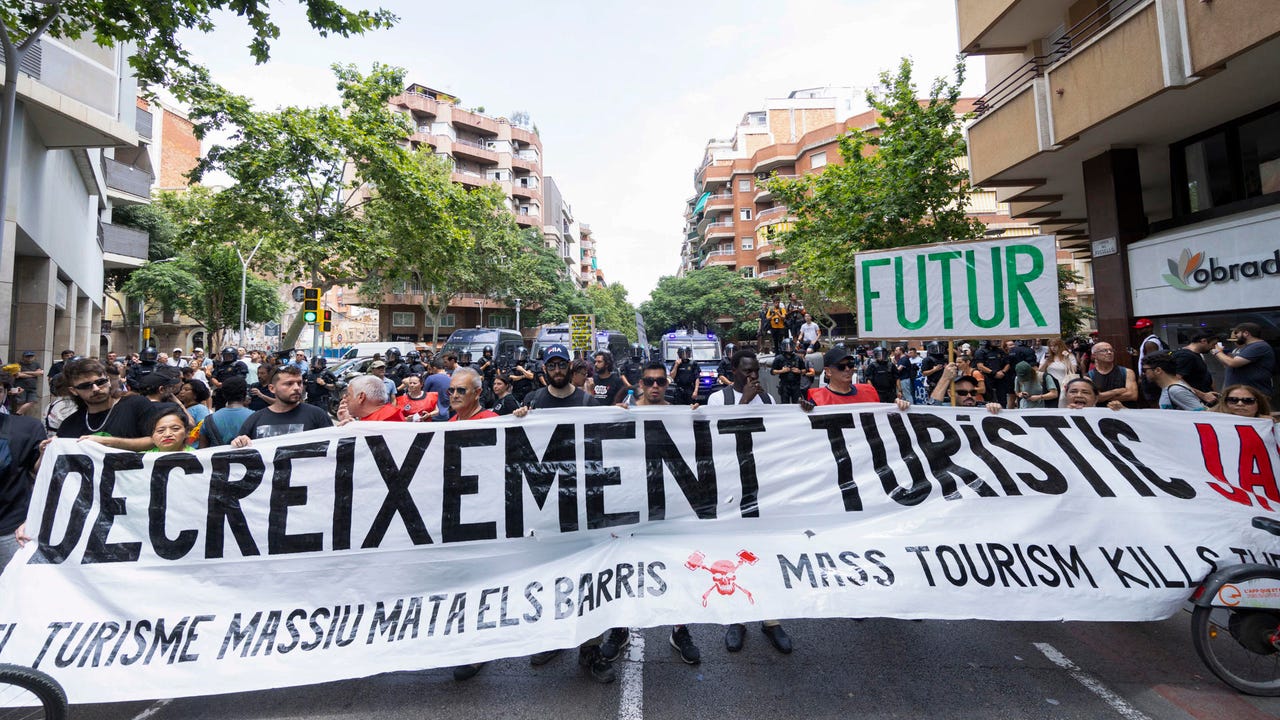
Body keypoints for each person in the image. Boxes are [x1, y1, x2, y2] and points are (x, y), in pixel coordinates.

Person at [599, 360, 703, 667]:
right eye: (649, 381)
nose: (655, 386)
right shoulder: (624, 411)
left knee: (676, 565)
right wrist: (611, 419)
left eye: (660, 381)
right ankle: (620, 629)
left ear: (667, 384)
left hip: (669, 503)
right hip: (630, 502)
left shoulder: (679, 412)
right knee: (623, 566)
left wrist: (699, 420)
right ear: (640, 384)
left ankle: (680, 629)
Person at [705, 349, 790, 653]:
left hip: (762, 486)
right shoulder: (719, 399)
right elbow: (717, 437)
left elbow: (779, 439)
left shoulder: (768, 400)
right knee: (735, 554)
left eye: (756, 370)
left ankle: (771, 619)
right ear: (734, 371)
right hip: (732, 488)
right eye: (747, 371)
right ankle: (737, 619)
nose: (753, 376)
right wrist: (743, 403)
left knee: (765, 552)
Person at [0, 370, 47, 576]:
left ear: (5, 393)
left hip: (11, 530)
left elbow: (40, 472)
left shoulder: (27, 428)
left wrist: (46, 455)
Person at [55, 358, 156, 450]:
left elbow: (155, 441)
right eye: (86, 386)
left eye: (100, 382)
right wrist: (51, 448)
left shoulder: (136, 405)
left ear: (108, 381)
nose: (96, 389)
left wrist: (108, 442)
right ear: (73, 391)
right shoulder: (70, 424)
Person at [231, 366, 332, 446]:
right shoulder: (255, 420)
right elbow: (240, 450)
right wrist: (239, 443)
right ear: (272, 389)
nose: (297, 388)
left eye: (299, 383)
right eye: (289, 383)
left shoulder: (318, 415)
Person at [515, 345, 598, 412]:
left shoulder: (588, 402)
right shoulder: (532, 400)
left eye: (562, 365)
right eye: (551, 366)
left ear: (570, 365)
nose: (557, 370)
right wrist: (520, 417)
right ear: (544, 369)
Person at [801, 345, 882, 407]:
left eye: (850, 365)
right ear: (828, 371)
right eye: (841, 366)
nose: (847, 369)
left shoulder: (868, 392)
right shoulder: (818, 400)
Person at [1211, 322, 1275, 396]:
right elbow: (1228, 364)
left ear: (1246, 333)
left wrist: (1218, 352)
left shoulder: (1259, 346)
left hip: (1252, 394)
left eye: (1237, 333)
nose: (1236, 336)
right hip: (1239, 394)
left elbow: (1233, 363)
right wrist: (1218, 354)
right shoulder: (1247, 347)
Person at [198, 377, 253, 448]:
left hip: (218, 455)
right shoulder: (255, 417)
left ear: (223, 395)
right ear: (245, 394)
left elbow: (202, 449)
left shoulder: (208, 420)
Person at [1086, 341, 1137, 408]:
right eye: (1104, 350)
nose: (1109, 352)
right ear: (1094, 355)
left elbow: (1132, 395)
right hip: (1102, 412)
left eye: (1111, 350)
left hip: (1125, 411)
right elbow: (1093, 398)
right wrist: (1116, 391)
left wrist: (1102, 397)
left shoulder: (1127, 372)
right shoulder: (1089, 376)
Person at [337, 374, 403, 424]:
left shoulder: (386, 421)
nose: (344, 398)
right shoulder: (386, 414)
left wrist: (350, 428)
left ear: (361, 397)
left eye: (348, 395)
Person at [1173, 333, 1218, 406]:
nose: (1213, 348)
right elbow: (1177, 379)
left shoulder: (1196, 355)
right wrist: (1203, 395)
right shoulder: (1185, 356)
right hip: (1194, 400)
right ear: (1203, 341)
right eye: (1213, 344)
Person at [1039, 338, 1078, 407]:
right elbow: (1040, 370)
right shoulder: (1047, 355)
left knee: (1062, 404)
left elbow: (1073, 371)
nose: (1052, 348)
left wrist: (1067, 359)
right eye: (1051, 346)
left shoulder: (1069, 355)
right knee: (1050, 405)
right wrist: (1046, 361)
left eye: (1055, 346)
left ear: (1060, 345)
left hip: (1064, 384)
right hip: (1050, 385)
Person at [975, 339, 1011, 406]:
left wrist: (1003, 372)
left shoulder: (1000, 351)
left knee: (1002, 400)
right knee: (990, 399)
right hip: (988, 378)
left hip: (1001, 378)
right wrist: (993, 373)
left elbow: (1008, 363)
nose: (997, 341)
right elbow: (980, 366)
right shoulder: (981, 352)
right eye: (994, 340)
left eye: (997, 339)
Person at [771, 339, 805, 404]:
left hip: (796, 385)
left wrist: (799, 371)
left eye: (790, 347)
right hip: (784, 385)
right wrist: (782, 371)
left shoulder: (798, 358)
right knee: (785, 404)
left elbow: (804, 370)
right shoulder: (779, 358)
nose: (789, 349)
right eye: (786, 347)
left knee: (797, 403)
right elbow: (772, 371)